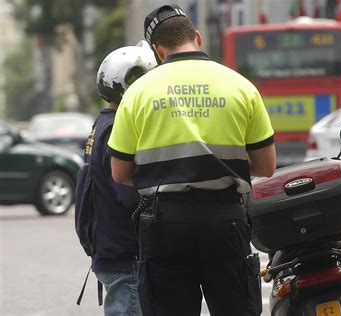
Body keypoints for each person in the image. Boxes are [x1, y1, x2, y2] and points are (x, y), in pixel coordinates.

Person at [107, 4, 276, 316]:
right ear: (197, 37)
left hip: (163, 225)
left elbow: (119, 173)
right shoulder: (240, 86)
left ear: (158, 51)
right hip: (225, 219)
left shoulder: (138, 93)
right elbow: (266, 166)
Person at [82, 41, 157, 316]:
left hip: (109, 247)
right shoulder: (118, 127)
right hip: (126, 252)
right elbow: (127, 190)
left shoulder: (101, 123)